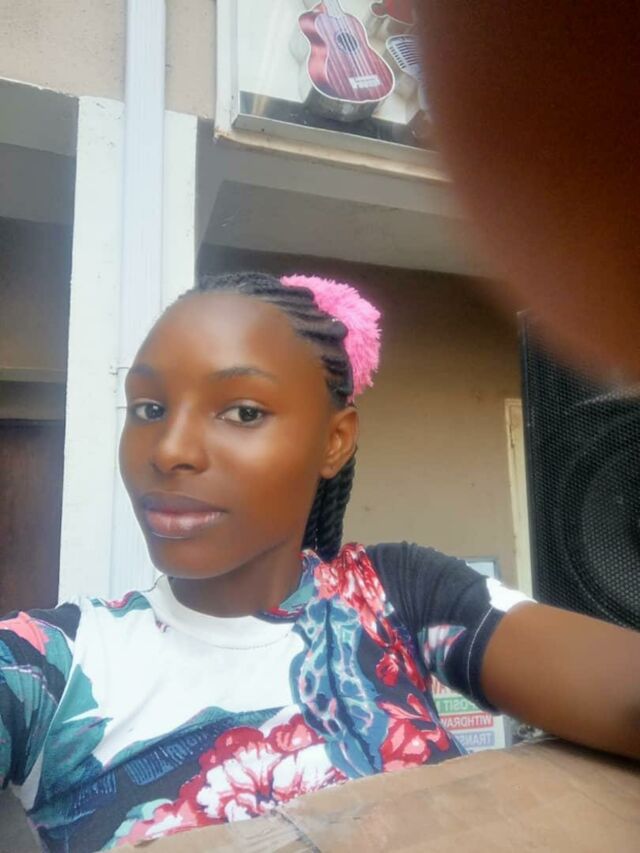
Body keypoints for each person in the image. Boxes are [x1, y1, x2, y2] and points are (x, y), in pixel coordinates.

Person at [1, 272, 638, 852]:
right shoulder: (45, 664)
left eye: (243, 412)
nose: (168, 451)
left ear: (335, 441)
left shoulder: (397, 596)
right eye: (149, 409)